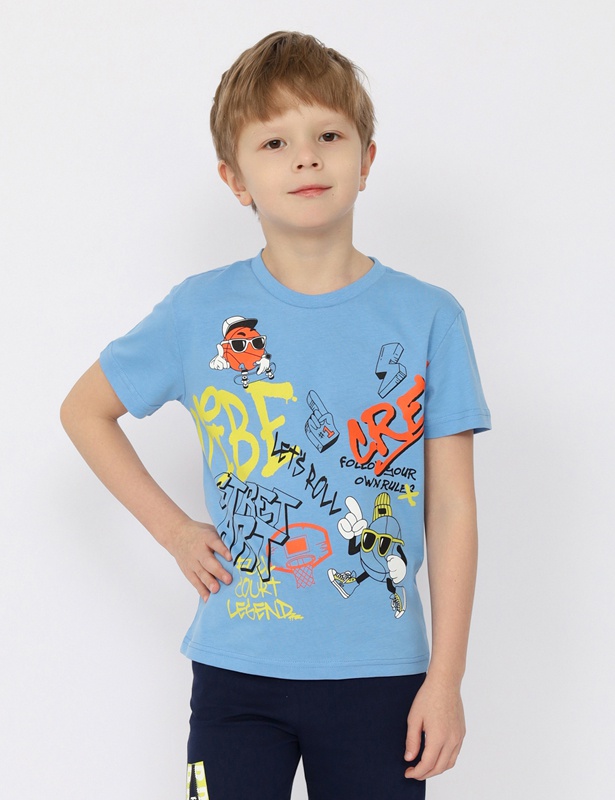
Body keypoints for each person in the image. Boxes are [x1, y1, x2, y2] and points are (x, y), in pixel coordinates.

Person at [61, 31, 491, 800]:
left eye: (328, 135)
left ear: (365, 159)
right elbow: (85, 411)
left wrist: (446, 678)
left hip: (379, 679)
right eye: (274, 142)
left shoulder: (428, 318)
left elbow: (452, 507)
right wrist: (174, 531)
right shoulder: (199, 311)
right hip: (236, 675)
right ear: (235, 179)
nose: (305, 159)